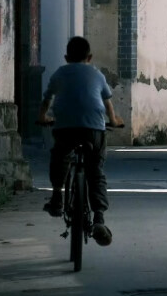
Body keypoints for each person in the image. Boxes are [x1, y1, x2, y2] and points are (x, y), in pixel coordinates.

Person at [38, 36, 123, 245]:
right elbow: (107, 103)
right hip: (93, 129)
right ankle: (99, 219)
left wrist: (42, 117)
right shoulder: (97, 74)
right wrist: (113, 120)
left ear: (66, 57)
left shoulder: (59, 73)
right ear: (90, 57)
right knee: (96, 170)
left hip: (65, 127)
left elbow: (47, 99)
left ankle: (57, 195)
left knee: (60, 154)